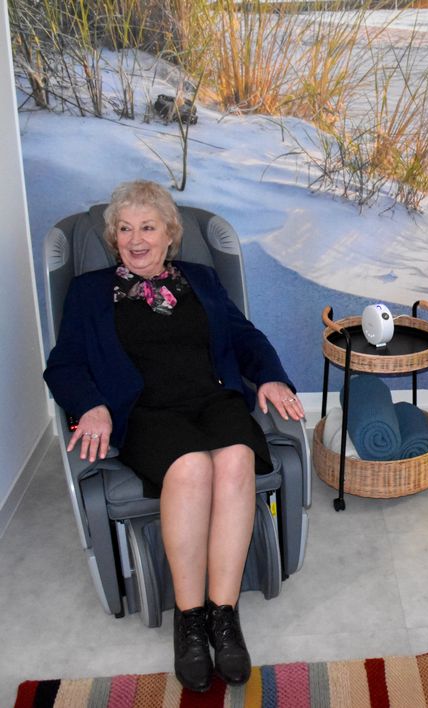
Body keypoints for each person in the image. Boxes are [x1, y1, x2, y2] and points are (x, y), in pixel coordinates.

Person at [44, 180, 306, 692]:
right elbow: (64, 364)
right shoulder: (89, 292)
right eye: (124, 229)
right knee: (190, 468)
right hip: (146, 411)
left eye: (147, 227)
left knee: (235, 458)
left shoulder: (201, 279)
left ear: (169, 235)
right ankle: (189, 622)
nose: (135, 239)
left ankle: (224, 616)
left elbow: (245, 337)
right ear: (113, 238)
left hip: (213, 399)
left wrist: (271, 376)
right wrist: (90, 406)